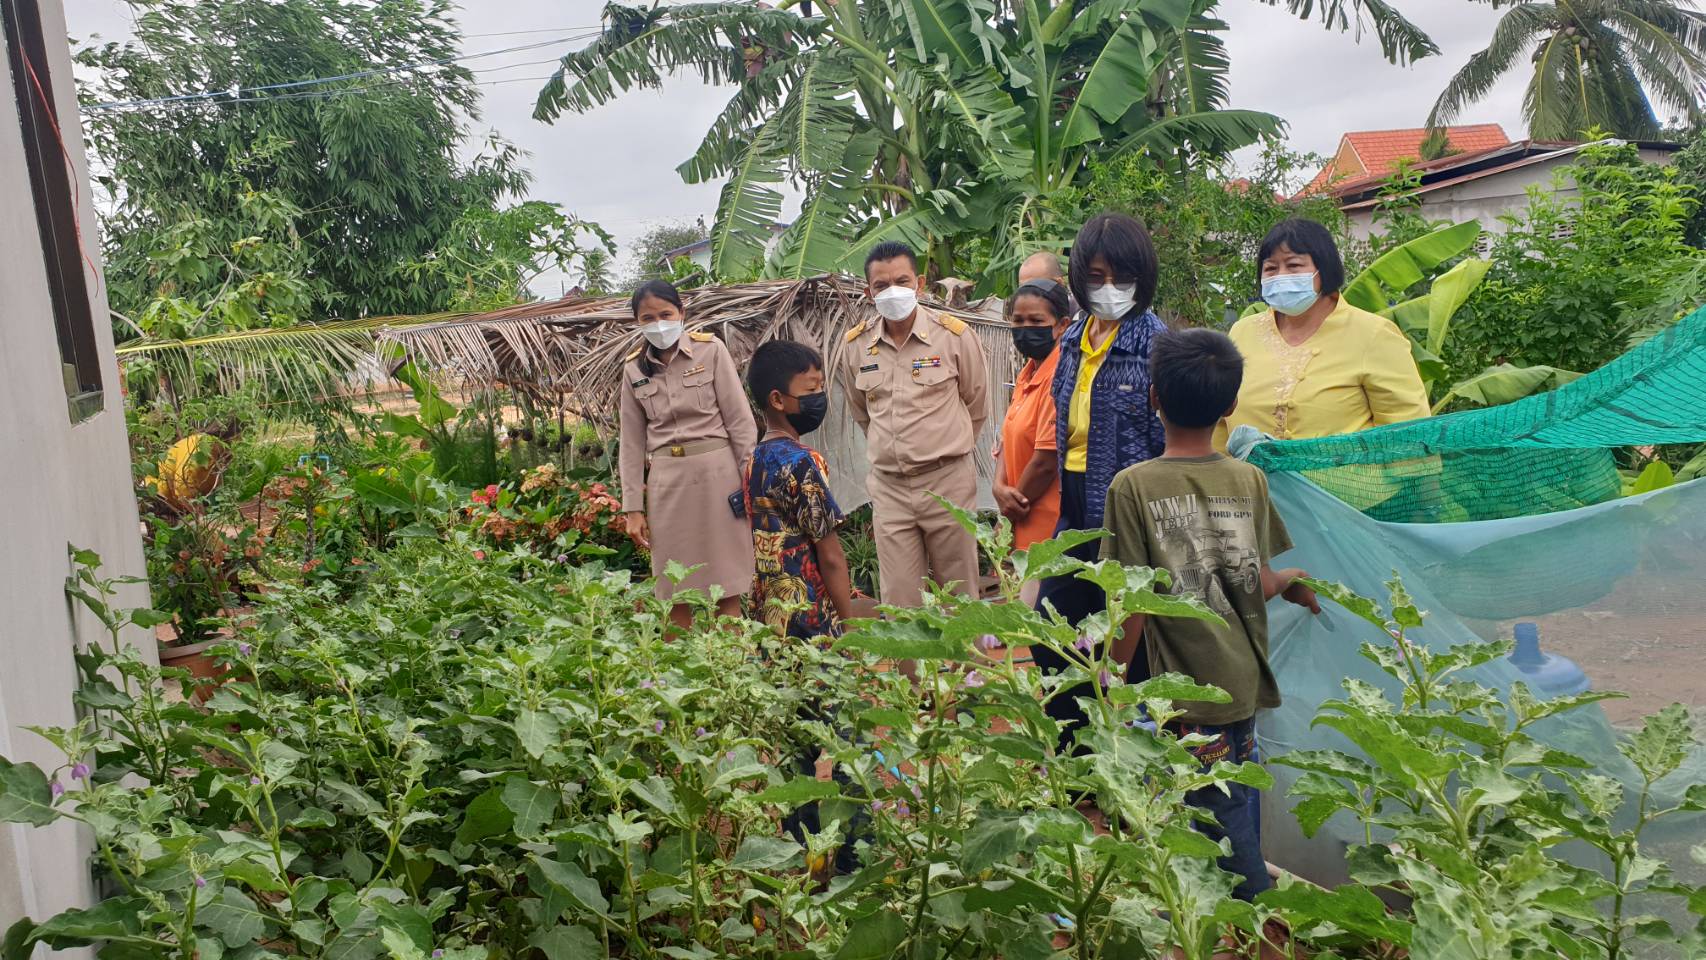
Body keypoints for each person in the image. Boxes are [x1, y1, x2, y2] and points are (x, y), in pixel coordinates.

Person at [1102, 327, 1319, 900]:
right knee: (1233, 792)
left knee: (1213, 810)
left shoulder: (1132, 487)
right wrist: (1291, 582)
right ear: (1229, 406)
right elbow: (1256, 581)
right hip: (1242, 678)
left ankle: (1251, 909)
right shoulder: (1249, 478)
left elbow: (1131, 604)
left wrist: (1113, 680)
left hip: (1185, 688)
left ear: (1153, 396)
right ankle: (1242, 907)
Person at [1031, 213, 1169, 750]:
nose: (1108, 289)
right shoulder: (1070, 340)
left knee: (1132, 638)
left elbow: (1167, 438)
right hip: (1075, 502)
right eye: (1095, 276)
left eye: (1121, 276)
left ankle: (1137, 762)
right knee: (1055, 631)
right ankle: (1075, 757)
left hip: (1132, 508)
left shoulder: (1156, 345)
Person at [744, 339, 861, 873]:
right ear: (778, 399)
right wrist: (852, 618)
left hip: (774, 623)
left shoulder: (753, 462)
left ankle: (800, 853)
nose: (819, 399)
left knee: (794, 745)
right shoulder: (803, 465)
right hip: (817, 621)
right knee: (845, 739)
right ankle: (855, 855)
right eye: (810, 391)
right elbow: (830, 555)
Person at [838, 241, 991, 608]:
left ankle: (965, 668)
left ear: (919, 283)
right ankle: (910, 669)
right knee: (900, 601)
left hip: (947, 483)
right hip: (890, 489)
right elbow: (863, 413)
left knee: (959, 596)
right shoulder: (856, 346)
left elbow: (977, 404)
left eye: (902, 281)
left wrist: (943, 451)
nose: (893, 291)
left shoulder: (953, 335)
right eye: (881, 285)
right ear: (867, 291)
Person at [618, 280, 756, 629]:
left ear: (682, 313)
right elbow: (631, 442)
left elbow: (740, 422)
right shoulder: (634, 369)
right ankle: (676, 675)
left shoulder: (711, 352)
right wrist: (633, 508)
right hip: (668, 484)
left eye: (666, 314)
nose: (659, 324)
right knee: (673, 587)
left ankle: (731, 669)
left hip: (719, 477)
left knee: (726, 584)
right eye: (648, 318)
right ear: (637, 322)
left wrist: (750, 480)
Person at [1218, 218, 1429, 447]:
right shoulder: (1242, 333)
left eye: (1294, 265)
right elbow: (1218, 422)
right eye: (1271, 268)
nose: (1281, 276)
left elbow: (1407, 431)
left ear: (1324, 269)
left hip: (1346, 482)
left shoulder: (1374, 334)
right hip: (1248, 481)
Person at [992, 276, 1070, 604]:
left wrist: (1008, 514)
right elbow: (1009, 437)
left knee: (1038, 632)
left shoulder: (1060, 374)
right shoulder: (1028, 372)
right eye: (1018, 320)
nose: (1026, 328)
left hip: (1045, 530)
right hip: (1019, 526)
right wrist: (998, 486)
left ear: (1062, 325)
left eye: (1037, 321)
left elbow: (1045, 459)